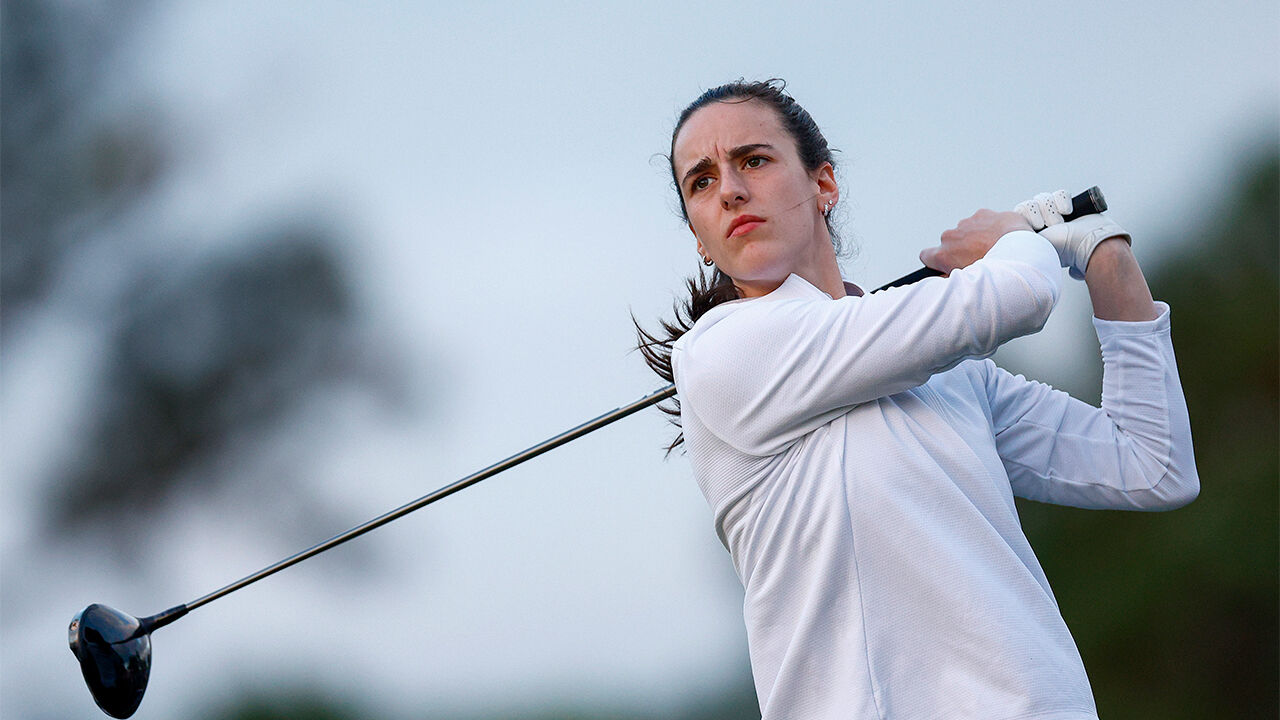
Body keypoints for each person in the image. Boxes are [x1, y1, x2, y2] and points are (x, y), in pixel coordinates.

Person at [636, 79, 1199, 720]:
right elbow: (1014, 296)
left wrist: (1104, 251)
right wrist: (1016, 237)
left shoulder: (948, 373)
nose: (730, 189)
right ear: (701, 238)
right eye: (701, 182)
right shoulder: (722, 353)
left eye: (754, 160)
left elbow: (1151, 466)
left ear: (824, 186)